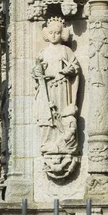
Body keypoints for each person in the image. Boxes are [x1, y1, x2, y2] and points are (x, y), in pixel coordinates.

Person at [32, 17, 80, 155]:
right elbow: (37, 70)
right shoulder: (43, 52)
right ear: (47, 34)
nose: (54, 35)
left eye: (57, 33)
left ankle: (61, 142)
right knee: (47, 114)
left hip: (62, 87)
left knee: (60, 114)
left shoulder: (66, 50)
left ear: (62, 34)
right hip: (47, 88)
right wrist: (38, 72)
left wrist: (69, 70)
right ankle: (47, 142)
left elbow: (75, 67)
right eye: (51, 32)